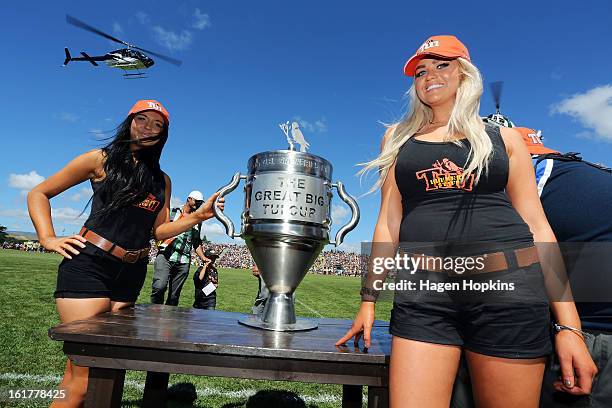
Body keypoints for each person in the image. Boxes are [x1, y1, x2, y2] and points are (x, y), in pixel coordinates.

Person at [335, 35, 596, 407]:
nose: (430, 76)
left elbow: (539, 229)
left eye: (443, 65)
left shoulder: (503, 139)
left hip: (508, 294)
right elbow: (388, 223)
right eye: (421, 71)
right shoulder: (397, 139)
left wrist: (570, 326)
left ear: (465, 74)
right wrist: (368, 299)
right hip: (424, 295)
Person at [27, 99, 224, 408]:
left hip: (131, 273)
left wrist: (197, 218)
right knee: (87, 377)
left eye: (157, 125)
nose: (148, 128)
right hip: (90, 264)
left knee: (101, 367)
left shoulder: (162, 180)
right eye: (142, 120)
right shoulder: (100, 159)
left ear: (164, 134)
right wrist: (47, 237)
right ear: (129, 121)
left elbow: (157, 231)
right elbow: (39, 192)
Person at [151, 191, 205, 306]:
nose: (199, 204)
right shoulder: (173, 211)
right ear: (189, 199)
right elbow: (159, 228)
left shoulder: (197, 220)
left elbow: (196, 242)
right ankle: (153, 315)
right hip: (165, 255)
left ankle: (169, 322)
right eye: (197, 201)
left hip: (183, 261)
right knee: (159, 287)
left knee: (174, 296)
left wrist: (204, 258)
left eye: (201, 202)